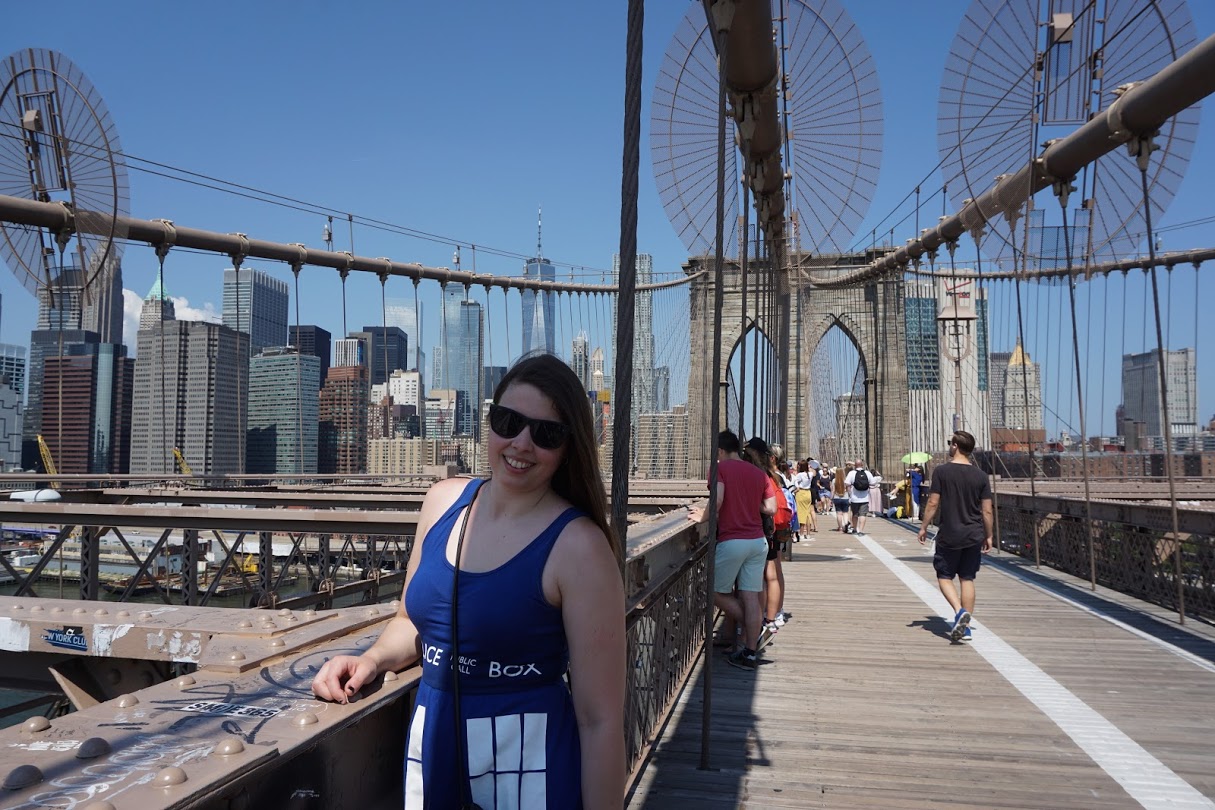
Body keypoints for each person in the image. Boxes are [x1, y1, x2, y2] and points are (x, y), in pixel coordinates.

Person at [312, 354, 626, 809]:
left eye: (546, 433)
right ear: (489, 422)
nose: (521, 443)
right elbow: (412, 619)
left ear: (567, 448)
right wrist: (374, 659)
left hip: (527, 768)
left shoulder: (580, 548)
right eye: (508, 421)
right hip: (433, 753)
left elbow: (600, 722)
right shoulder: (442, 502)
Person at [695, 430, 774, 671]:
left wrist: (702, 517)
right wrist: (748, 502)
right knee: (750, 595)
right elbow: (770, 508)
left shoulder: (720, 469)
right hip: (758, 542)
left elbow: (717, 501)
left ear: (719, 451)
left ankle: (755, 626)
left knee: (710, 590)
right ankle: (750, 653)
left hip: (733, 541)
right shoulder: (758, 473)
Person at [917, 430, 993, 643]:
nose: (949, 445)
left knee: (944, 576)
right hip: (974, 534)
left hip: (950, 533)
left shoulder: (942, 472)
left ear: (956, 446)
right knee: (967, 578)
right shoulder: (981, 476)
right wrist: (989, 535)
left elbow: (933, 503)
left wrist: (923, 527)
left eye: (951, 443)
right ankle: (966, 628)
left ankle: (960, 612)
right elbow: (987, 510)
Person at [747, 438, 791, 632]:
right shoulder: (776, 476)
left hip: (764, 529)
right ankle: (773, 617)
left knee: (763, 577)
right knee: (774, 573)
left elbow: (765, 506)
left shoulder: (760, 475)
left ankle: (762, 618)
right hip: (776, 529)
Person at [845, 459, 881, 536]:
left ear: (855, 465)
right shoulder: (867, 473)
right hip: (865, 498)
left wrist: (849, 493)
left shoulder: (851, 473)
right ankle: (860, 531)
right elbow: (873, 483)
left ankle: (854, 529)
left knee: (855, 514)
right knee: (862, 515)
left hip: (854, 498)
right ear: (862, 465)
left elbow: (847, 484)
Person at [792, 459, 818, 537]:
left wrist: (797, 487)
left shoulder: (800, 475)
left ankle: (801, 533)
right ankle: (808, 533)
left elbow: (795, 482)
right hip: (808, 493)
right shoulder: (809, 474)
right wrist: (810, 467)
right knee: (807, 513)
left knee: (801, 513)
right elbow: (814, 473)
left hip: (801, 493)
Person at [831, 468, 851, 532]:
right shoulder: (846, 480)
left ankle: (840, 527)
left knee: (839, 514)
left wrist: (831, 498)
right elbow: (848, 490)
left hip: (837, 498)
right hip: (845, 498)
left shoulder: (834, 480)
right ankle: (845, 525)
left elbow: (833, 490)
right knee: (845, 513)